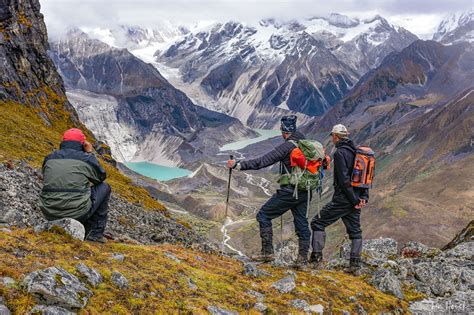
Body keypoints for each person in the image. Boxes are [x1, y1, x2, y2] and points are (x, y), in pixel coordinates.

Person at [227, 115, 311, 268]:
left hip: (290, 191)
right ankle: (303, 260)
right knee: (302, 224)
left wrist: (238, 165)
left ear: (284, 130)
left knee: (263, 215)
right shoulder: (305, 143)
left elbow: (262, 162)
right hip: (305, 190)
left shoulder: (287, 146)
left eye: (281, 130)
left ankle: (267, 252)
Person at [309, 124, 368, 273]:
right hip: (355, 199)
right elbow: (365, 177)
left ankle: (316, 259)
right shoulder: (357, 151)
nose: (332, 138)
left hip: (343, 199)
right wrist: (362, 198)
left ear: (335, 136)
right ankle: (355, 266)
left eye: (332, 136)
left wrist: (353, 200)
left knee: (317, 222)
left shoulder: (340, 153)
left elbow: (343, 180)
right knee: (355, 231)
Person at [39, 128, 111, 243]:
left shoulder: (49, 158)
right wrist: (89, 153)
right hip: (77, 213)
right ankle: (94, 235)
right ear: (82, 144)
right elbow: (100, 177)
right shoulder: (86, 159)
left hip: (49, 211)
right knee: (104, 187)